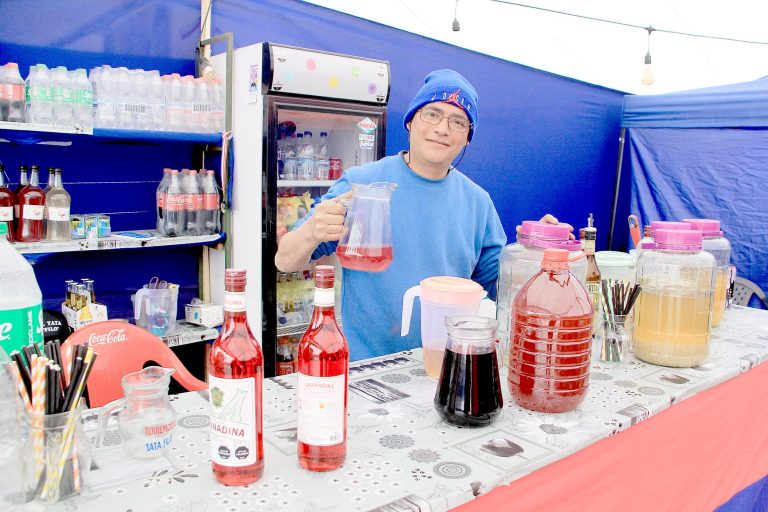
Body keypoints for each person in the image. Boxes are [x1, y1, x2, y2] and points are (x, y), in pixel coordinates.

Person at [276, 69, 561, 360]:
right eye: (432, 114)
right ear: (411, 122)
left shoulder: (478, 202)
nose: (442, 128)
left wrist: (530, 252)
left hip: (444, 364)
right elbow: (285, 261)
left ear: (467, 139)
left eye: (458, 121)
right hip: (366, 368)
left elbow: (500, 287)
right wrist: (312, 230)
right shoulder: (362, 185)